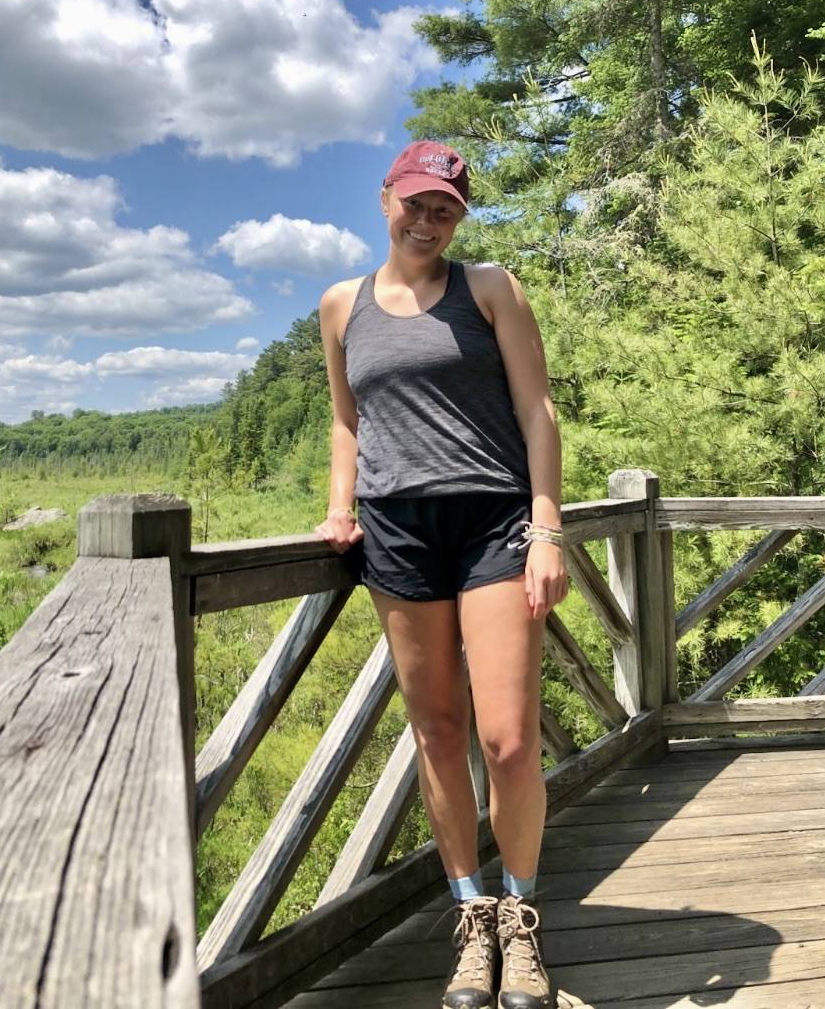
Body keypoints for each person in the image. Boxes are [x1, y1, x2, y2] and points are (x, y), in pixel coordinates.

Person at [315, 140, 567, 1009]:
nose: (426, 220)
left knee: (505, 736)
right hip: (397, 530)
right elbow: (348, 420)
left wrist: (547, 528)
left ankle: (522, 921)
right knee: (436, 730)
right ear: (385, 197)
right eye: (415, 202)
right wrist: (341, 506)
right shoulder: (341, 305)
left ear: (461, 216)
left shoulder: (490, 287)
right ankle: (472, 919)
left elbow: (537, 412)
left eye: (445, 208)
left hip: (494, 520)